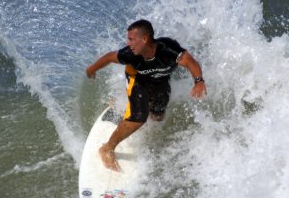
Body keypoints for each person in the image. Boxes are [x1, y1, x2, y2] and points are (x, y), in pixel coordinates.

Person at [85, 19, 207, 171]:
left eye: (131, 39)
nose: (128, 43)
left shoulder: (168, 50)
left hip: (160, 79)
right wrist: (92, 69)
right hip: (137, 77)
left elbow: (190, 62)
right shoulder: (130, 55)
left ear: (144, 39)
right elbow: (110, 57)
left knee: (157, 116)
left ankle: (136, 109)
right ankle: (107, 148)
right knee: (139, 118)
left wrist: (199, 81)